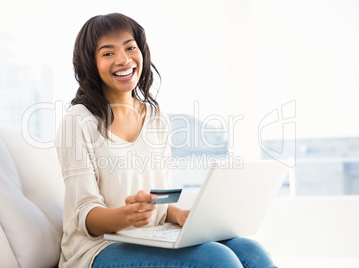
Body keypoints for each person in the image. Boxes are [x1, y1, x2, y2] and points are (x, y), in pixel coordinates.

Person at [56, 12, 277, 268]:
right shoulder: (78, 121)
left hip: (148, 237)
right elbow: (86, 216)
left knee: (251, 250)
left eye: (130, 47)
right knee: (217, 259)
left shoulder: (155, 117)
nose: (123, 59)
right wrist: (126, 216)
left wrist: (179, 215)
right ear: (90, 63)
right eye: (107, 53)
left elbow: (155, 202)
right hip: (97, 249)